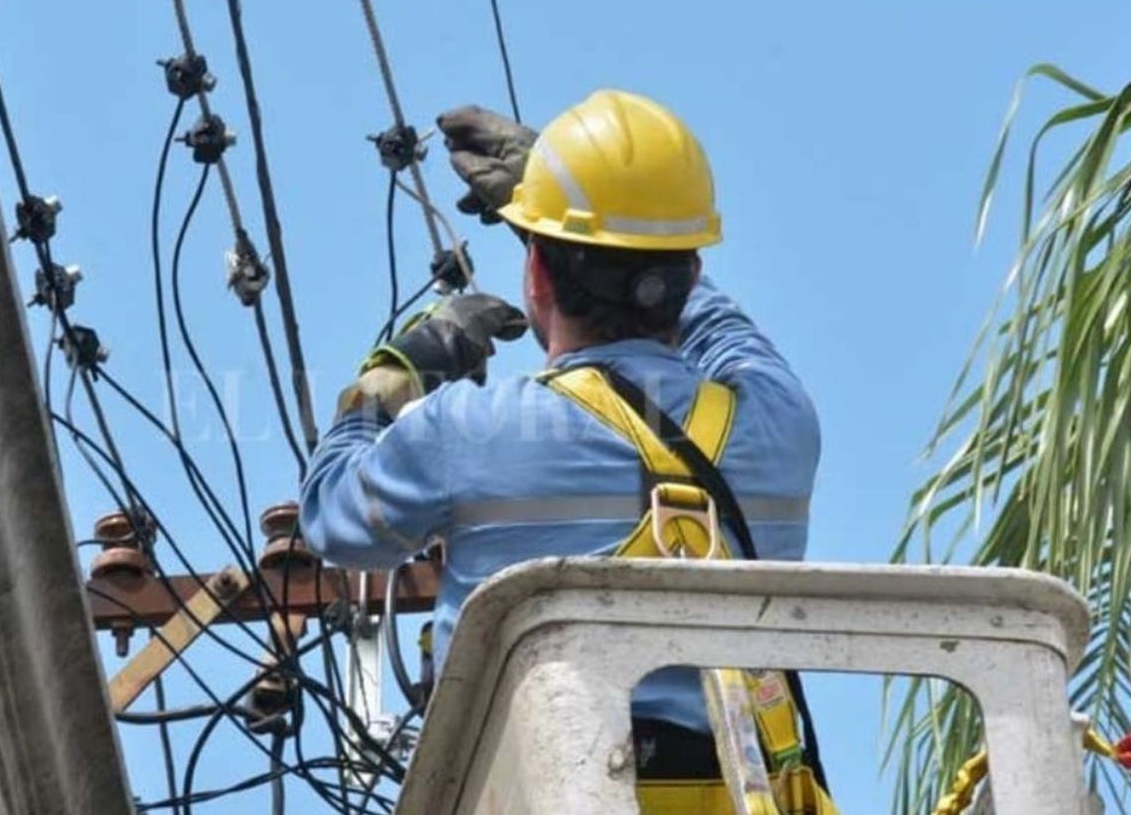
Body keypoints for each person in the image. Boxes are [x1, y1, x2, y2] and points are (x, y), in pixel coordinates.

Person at [300, 89, 825, 807]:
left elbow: (334, 518)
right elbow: (719, 326)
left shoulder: (467, 432)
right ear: (691, 273)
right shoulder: (779, 425)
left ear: (537, 276)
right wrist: (592, 209)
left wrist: (388, 377)